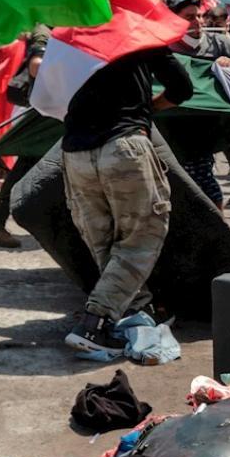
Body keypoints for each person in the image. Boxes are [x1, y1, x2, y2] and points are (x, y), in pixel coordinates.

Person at [59, 45, 193, 353]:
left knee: (104, 242)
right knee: (141, 238)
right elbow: (182, 87)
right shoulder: (139, 31)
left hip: (75, 153)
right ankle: (93, 323)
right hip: (125, 147)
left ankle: (135, 312)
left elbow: (41, 89)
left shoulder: (69, 32)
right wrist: (146, 109)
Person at [169, 0, 230, 209]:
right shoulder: (165, 47)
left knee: (204, 177)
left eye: (200, 16)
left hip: (210, 123)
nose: (197, 21)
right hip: (174, 125)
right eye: (190, 17)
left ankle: (217, 224)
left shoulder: (218, 42)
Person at [0, 26, 51, 248]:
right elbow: (36, 66)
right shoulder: (48, 28)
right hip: (48, 111)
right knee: (29, 164)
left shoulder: (57, 24)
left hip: (51, 109)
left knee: (35, 166)